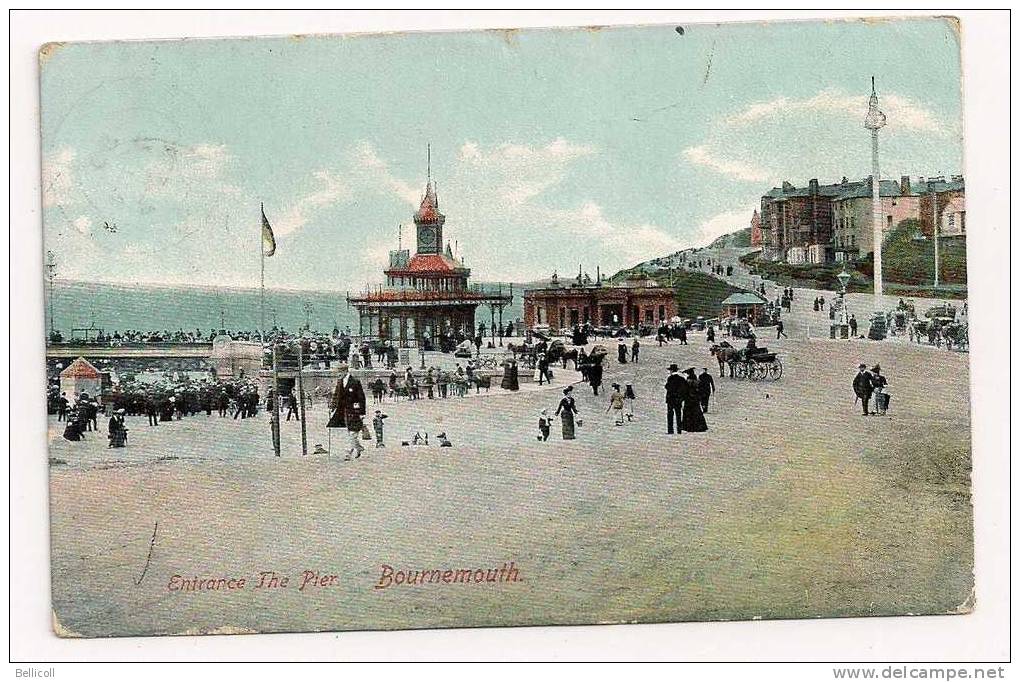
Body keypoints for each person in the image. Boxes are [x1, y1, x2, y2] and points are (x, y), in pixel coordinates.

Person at [327, 364, 367, 460]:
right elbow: (336, 395)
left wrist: (362, 412)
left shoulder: (355, 382)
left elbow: (361, 397)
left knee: (353, 432)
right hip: (343, 411)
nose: (338, 374)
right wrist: (332, 406)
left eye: (339, 372)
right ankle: (359, 447)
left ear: (345, 371)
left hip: (354, 411)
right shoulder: (340, 381)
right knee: (350, 432)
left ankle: (348, 452)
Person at [664, 363, 686, 435]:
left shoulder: (670, 378)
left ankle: (670, 430)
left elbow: (667, 387)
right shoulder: (681, 379)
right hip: (678, 399)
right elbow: (684, 389)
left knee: (670, 415)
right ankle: (679, 429)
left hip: (670, 399)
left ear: (671, 371)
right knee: (678, 415)